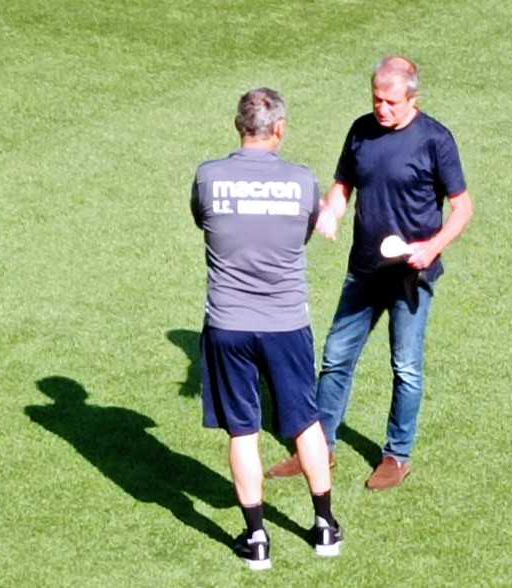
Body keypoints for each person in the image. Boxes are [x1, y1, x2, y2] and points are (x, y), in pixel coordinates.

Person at [267, 56, 474, 490]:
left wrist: (431, 248)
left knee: (406, 366)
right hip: (363, 269)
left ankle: (397, 455)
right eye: (377, 99)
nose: (382, 108)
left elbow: (463, 207)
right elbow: (344, 183)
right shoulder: (362, 129)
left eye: (391, 102)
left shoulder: (435, 140)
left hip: (410, 276)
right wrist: (332, 212)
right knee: (337, 356)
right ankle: (319, 447)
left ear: (413, 98)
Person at [190, 87, 342, 570]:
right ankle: (324, 527)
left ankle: (256, 538)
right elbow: (302, 234)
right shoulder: (301, 182)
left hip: (228, 323)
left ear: (239, 126)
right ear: (279, 128)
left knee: (242, 430)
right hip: (285, 323)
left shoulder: (208, 177)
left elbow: (203, 221)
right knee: (305, 422)